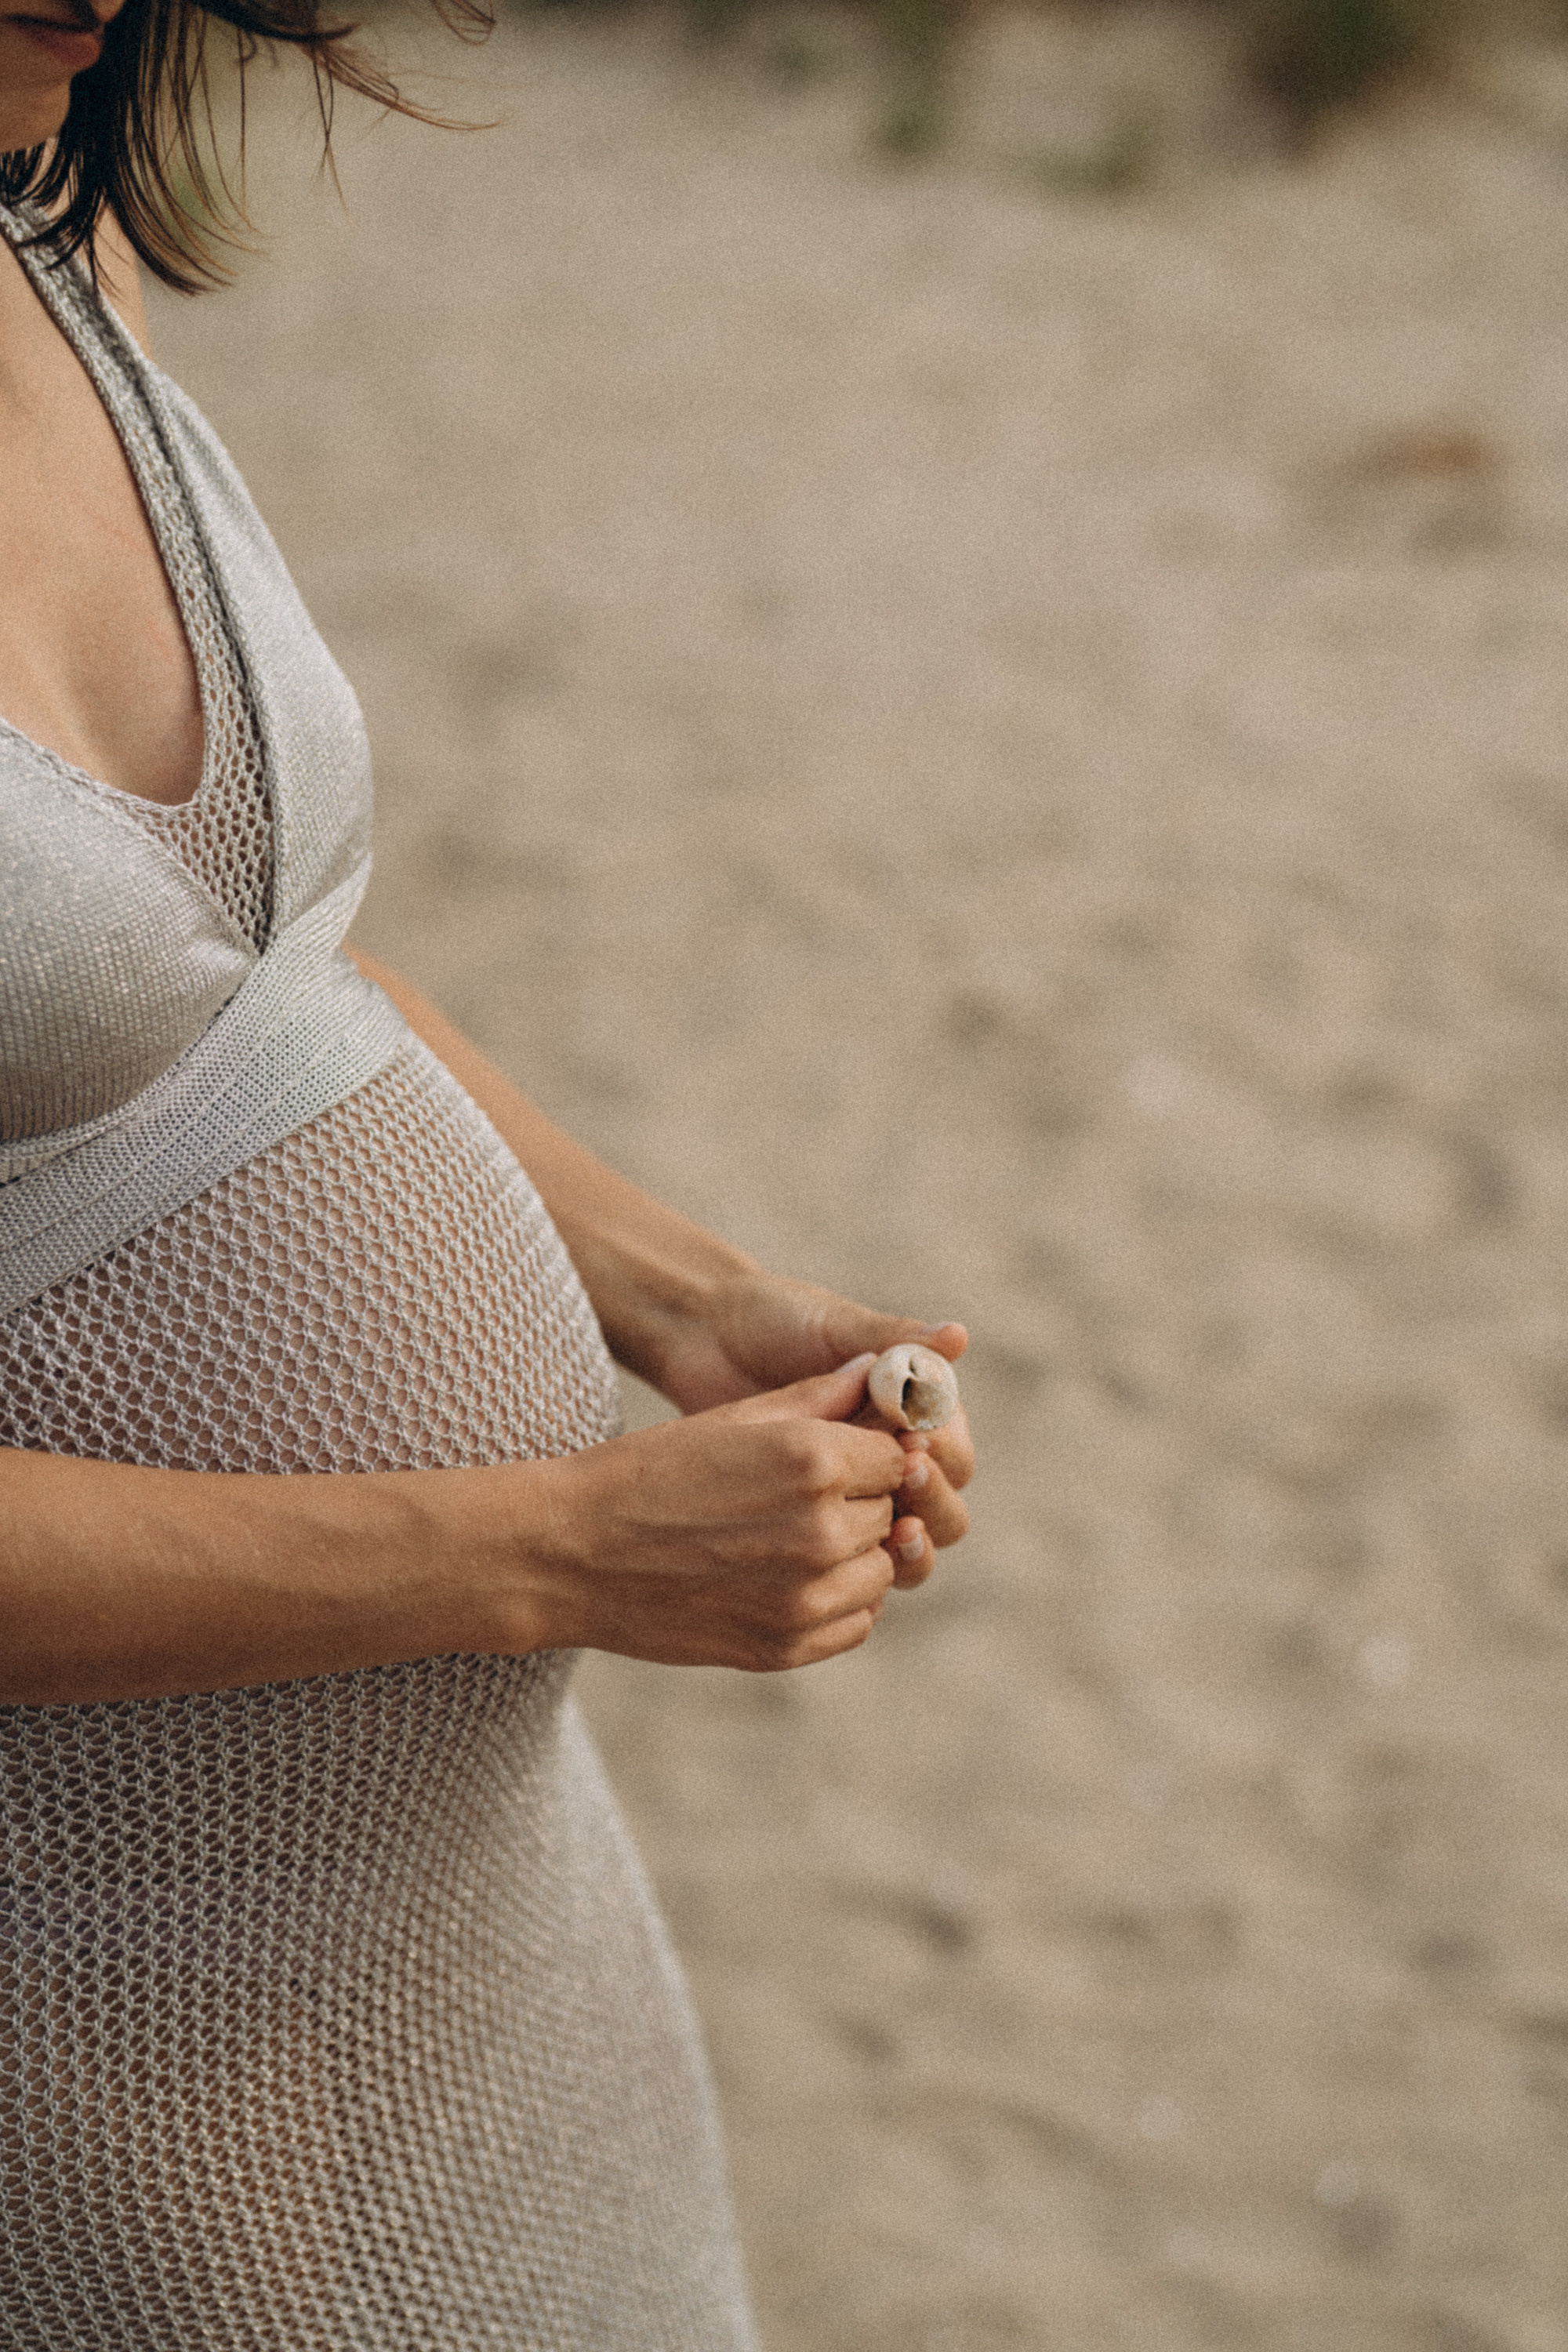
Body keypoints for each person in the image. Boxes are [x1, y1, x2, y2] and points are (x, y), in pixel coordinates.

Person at [0, 0, 973, 2342]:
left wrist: (682, 1297)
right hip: (84, 2022)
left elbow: (246, 965)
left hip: (472, 1935)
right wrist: (556, 1549)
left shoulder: (55, 247)